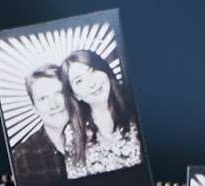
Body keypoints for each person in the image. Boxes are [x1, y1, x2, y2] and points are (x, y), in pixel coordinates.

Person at [60, 49, 143, 178]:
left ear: (104, 70)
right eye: (79, 81)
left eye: (93, 71)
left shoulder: (136, 106)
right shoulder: (72, 133)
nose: (92, 83)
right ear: (75, 95)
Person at [11, 65, 69, 186]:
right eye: (43, 98)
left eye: (59, 93)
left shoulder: (97, 137)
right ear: (35, 108)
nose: (54, 105)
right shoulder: (22, 157)